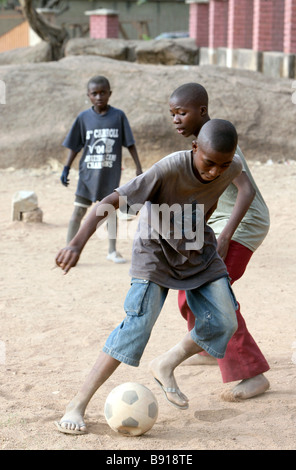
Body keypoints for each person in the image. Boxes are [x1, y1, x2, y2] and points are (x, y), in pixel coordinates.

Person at [55, 118, 243, 434]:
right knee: (136, 328)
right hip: (155, 254)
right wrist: (76, 243)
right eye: (209, 163)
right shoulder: (167, 169)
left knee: (226, 321)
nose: (215, 171)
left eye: (222, 165)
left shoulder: (232, 168)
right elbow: (109, 201)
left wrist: (215, 230)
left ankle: (166, 363)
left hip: (199, 252)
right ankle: (77, 403)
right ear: (194, 147)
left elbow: (219, 194)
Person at [169, 82, 270, 401]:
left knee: (212, 294)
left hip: (243, 223)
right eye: (172, 114)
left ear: (201, 110)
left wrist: (224, 236)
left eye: (181, 113)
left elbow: (246, 191)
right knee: (188, 292)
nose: (175, 120)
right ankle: (212, 347)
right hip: (221, 223)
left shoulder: (217, 137)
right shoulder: (203, 140)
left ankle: (252, 374)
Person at [60, 75, 142, 263]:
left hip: (109, 174)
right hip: (88, 175)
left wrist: (138, 167)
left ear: (110, 94)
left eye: (102, 93)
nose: (99, 97)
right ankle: (69, 248)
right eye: (94, 93)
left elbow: (129, 143)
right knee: (78, 212)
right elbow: (75, 145)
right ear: (88, 95)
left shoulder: (118, 116)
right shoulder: (83, 118)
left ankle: (112, 251)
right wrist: (66, 167)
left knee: (109, 211)